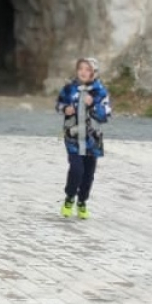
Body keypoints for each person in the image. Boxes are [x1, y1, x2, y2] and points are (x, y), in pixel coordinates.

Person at [56, 57, 112, 219]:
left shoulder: (100, 91)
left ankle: (82, 201)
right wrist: (65, 108)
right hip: (73, 136)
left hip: (92, 139)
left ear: (94, 73)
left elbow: (106, 115)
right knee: (76, 169)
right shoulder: (68, 88)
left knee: (88, 173)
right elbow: (59, 104)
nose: (83, 72)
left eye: (88, 69)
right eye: (80, 68)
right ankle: (69, 198)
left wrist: (93, 104)